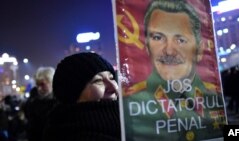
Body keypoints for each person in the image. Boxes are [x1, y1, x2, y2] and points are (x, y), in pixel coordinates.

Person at [123, 0, 226, 140]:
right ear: (147, 47)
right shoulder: (128, 109)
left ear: (199, 50)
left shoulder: (215, 98)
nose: (169, 51)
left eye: (181, 40)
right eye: (158, 38)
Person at [42, 52, 121, 141]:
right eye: (98, 80)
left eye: (111, 78)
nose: (113, 87)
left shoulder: (130, 124)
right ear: (73, 93)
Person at [23, 66, 57, 141]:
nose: (39, 88)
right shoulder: (31, 102)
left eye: (42, 84)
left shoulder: (61, 102)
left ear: (52, 82)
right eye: (37, 85)